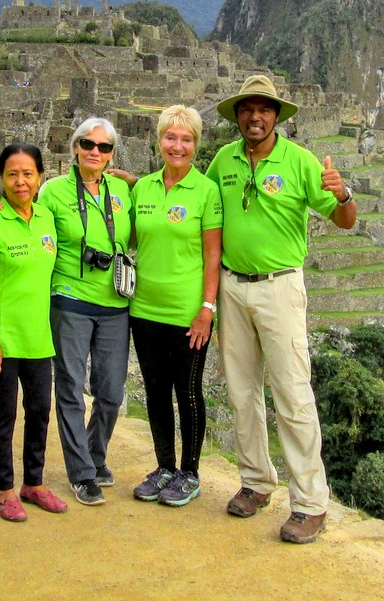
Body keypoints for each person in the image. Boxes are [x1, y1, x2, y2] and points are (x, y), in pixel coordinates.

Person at [206, 75, 357, 544]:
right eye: (247, 109)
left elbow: (345, 220)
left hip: (279, 288)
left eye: (264, 109)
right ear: (237, 116)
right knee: (242, 390)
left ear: (276, 116)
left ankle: (311, 503)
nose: (255, 117)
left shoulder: (300, 162)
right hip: (232, 286)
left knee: (292, 393)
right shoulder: (223, 161)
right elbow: (197, 200)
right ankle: (255, 481)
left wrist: (343, 193)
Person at [126, 106, 222, 507]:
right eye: (170, 137)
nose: (177, 146)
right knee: (155, 390)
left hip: (188, 313)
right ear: (159, 140)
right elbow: (126, 237)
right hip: (144, 309)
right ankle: (164, 466)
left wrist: (206, 308)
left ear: (195, 145)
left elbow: (213, 255)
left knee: (188, 391)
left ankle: (190, 472)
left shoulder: (206, 191)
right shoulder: (142, 189)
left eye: (185, 139)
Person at [37, 117, 133, 506]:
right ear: (75, 147)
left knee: (110, 390)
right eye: (88, 145)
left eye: (104, 147)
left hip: (114, 302)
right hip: (70, 298)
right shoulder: (54, 191)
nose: (96, 152)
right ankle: (81, 472)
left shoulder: (123, 191)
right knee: (72, 387)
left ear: (112, 154)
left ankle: (95, 453)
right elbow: (32, 227)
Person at [0, 143, 66, 521]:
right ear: (1, 179)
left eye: (28, 173)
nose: (20, 181)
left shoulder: (46, 218)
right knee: (5, 413)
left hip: (38, 337)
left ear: (40, 176)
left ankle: (34, 483)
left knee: (40, 409)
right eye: (12, 174)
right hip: (3, 339)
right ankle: (4, 488)